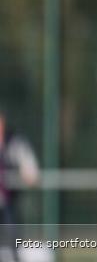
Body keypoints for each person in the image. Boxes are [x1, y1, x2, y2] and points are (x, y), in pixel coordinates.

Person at [0, 109, 41, 262]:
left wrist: (29, 173)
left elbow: (30, 168)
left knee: (13, 241)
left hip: (8, 202)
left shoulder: (14, 142)